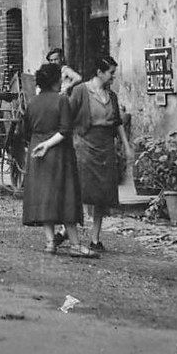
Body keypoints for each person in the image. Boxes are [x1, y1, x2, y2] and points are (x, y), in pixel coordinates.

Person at [21, 62, 95, 256]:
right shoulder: (61, 100)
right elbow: (65, 130)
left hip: (36, 153)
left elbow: (25, 132)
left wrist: (40, 143)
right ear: (56, 81)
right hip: (59, 153)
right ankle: (75, 245)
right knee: (66, 197)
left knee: (45, 197)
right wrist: (48, 144)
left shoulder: (32, 102)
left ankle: (50, 243)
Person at [69, 55, 132, 253]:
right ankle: (68, 232)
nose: (113, 77)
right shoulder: (80, 91)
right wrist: (72, 142)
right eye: (111, 73)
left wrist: (126, 146)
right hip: (85, 146)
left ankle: (95, 238)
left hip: (106, 147)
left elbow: (117, 123)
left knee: (102, 194)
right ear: (99, 72)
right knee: (82, 189)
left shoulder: (111, 96)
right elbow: (68, 118)